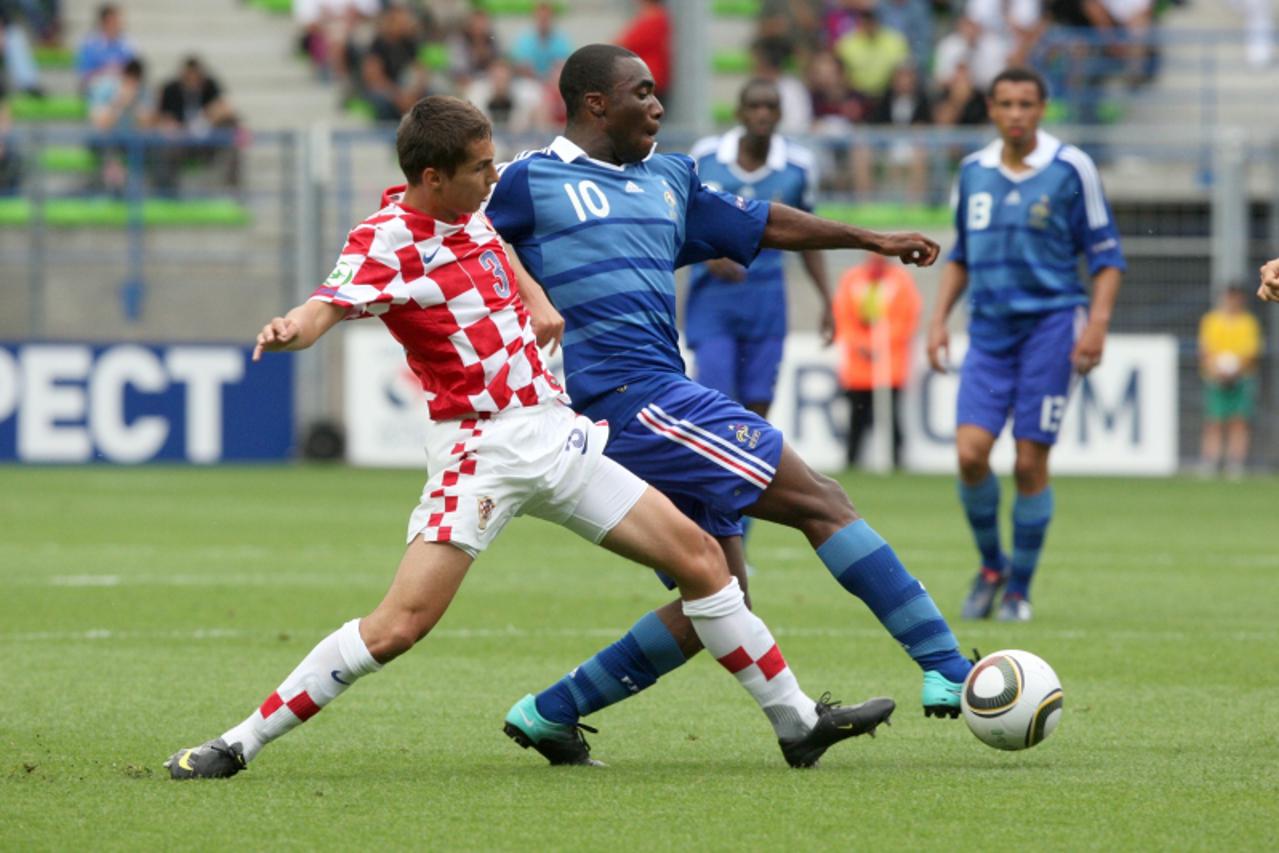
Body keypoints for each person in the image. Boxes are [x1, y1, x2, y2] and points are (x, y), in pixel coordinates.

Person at [164, 96, 894, 780]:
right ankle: (237, 742)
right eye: (480, 167)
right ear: (431, 177)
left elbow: (498, 246)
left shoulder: (473, 207)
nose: (495, 177)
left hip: (557, 434)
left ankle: (797, 723)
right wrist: (292, 329)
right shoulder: (387, 242)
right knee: (398, 626)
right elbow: (327, 301)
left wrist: (538, 299)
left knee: (706, 563)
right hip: (479, 456)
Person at [486, 44, 973, 766]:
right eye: (642, 92)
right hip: (627, 402)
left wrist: (867, 238)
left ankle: (550, 712)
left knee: (716, 590)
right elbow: (456, 237)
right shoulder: (529, 181)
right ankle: (947, 665)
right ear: (595, 104)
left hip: (649, 398)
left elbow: (760, 222)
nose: (657, 106)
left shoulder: (668, 180)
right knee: (820, 499)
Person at [926, 67, 1125, 623]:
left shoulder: (1070, 168)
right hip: (989, 331)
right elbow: (962, 253)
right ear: (991, 108)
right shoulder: (972, 171)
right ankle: (993, 565)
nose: (1016, 113)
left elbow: (1106, 257)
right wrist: (938, 319)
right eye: (1006, 103)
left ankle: (1020, 590)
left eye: (1027, 104)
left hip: (1051, 327)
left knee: (1029, 460)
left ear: (1043, 109)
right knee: (969, 455)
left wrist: (1098, 323)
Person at [686, 78, 832, 421]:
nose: (762, 114)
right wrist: (707, 253)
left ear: (781, 113)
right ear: (739, 112)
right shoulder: (705, 157)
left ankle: (748, 476)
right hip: (714, 299)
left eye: (770, 106)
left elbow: (808, 236)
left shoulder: (798, 167)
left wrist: (828, 299)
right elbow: (678, 219)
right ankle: (711, 474)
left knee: (758, 407)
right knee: (714, 402)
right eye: (754, 106)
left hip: (766, 298)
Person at [832, 252, 921, 469]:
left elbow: (908, 317)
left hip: (890, 365)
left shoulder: (901, 281)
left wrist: (882, 343)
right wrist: (862, 344)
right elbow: (842, 317)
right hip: (858, 368)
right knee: (857, 419)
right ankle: (852, 462)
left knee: (892, 418)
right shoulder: (852, 279)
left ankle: (897, 462)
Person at [1197, 285, 1263, 479]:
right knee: (1214, 421)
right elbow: (1205, 350)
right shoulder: (1211, 321)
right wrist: (1217, 370)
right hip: (1214, 378)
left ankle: (1235, 463)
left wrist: (1235, 371)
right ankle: (1211, 461)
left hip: (1242, 379)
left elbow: (1251, 353)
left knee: (1239, 421)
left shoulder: (1248, 323)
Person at [74, 3, 133, 91]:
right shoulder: (90, 46)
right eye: (113, 21)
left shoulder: (125, 45)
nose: (117, 25)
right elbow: (84, 75)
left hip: (121, 85)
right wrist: (106, 71)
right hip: (97, 86)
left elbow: (132, 71)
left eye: (118, 21)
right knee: (107, 86)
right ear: (103, 23)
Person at [509, 1, 572, 80]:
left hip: (553, 83)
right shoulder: (524, 40)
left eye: (546, 18)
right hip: (531, 81)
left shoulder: (561, 40)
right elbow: (521, 66)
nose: (543, 22)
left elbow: (563, 64)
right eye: (540, 18)